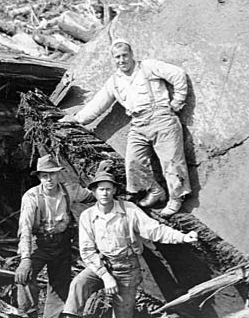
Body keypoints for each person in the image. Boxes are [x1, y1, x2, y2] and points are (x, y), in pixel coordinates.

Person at [52, 166, 198, 318]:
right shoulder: (88, 216)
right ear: (94, 192)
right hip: (102, 265)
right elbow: (87, 251)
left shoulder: (128, 210)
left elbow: (154, 230)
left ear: (114, 190)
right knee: (79, 284)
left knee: (123, 313)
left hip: (127, 268)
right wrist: (105, 276)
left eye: (108, 189)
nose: (105, 193)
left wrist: (182, 237)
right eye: (100, 189)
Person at [70, 39, 190, 217]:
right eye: (117, 57)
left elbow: (178, 74)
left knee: (171, 162)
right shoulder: (114, 81)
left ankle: (176, 199)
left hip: (162, 119)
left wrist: (178, 101)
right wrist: (76, 119)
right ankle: (155, 190)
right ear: (113, 59)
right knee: (133, 162)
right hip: (138, 123)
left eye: (125, 55)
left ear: (132, 54)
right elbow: (98, 104)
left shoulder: (148, 67)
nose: (122, 60)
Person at [15, 154, 92, 318]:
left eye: (52, 175)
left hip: (61, 242)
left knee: (59, 284)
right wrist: (25, 259)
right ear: (39, 177)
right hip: (39, 242)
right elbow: (25, 228)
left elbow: (92, 194)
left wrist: (100, 176)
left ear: (59, 174)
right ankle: (30, 316)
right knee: (24, 277)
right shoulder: (32, 196)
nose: (49, 180)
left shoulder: (70, 191)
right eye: (44, 176)